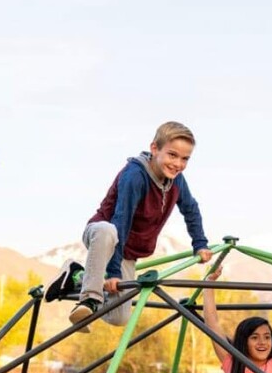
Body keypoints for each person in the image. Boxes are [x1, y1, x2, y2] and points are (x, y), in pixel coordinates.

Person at [46, 121, 212, 330]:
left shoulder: (176, 181)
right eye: (172, 155)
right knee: (108, 230)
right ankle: (89, 298)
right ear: (154, 148)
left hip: (127, 251)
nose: (178, 163)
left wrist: (200, 243)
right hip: (102, 236)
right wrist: (113, 272)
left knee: (119, 317)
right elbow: (120, 222)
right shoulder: (135, 175)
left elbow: (191, 209)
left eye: (185, 158)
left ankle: (77, 276)